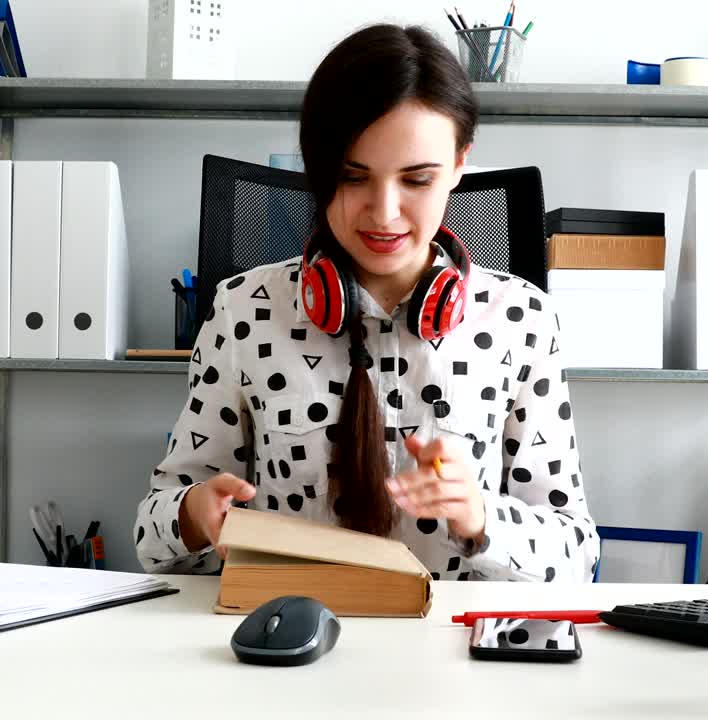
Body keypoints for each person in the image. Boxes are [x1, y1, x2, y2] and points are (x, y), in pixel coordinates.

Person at [135, 23, 599, 582]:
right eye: (354, 177)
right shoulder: (243, 310)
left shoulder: (520, 318)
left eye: (417, 180)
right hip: (288, 646)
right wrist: (196, 513)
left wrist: (481, 519)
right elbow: (151, 538)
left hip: (456, 656)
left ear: (458, 166)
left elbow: (575, 552)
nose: (384, 213)